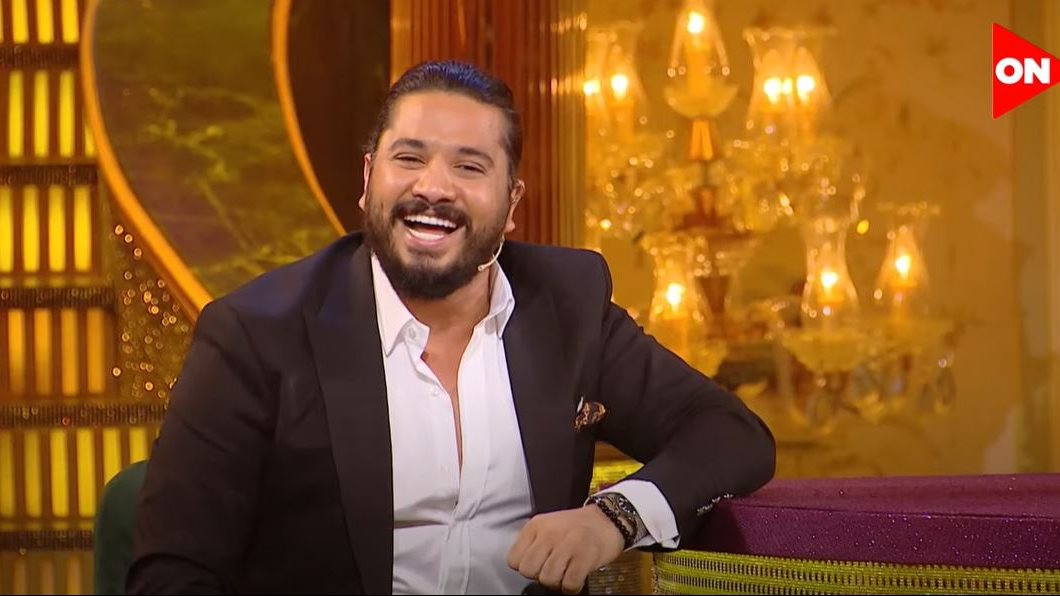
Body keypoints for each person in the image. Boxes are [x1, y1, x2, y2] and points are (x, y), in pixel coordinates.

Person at [128, 60, 775, 596]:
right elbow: (172, 576)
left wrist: (614, 516)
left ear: (512, 202)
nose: (433, 188)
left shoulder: (567, 307)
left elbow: (729, 433)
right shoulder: (254, 335)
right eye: (409, 157)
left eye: (469, 167)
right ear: (368, 179)